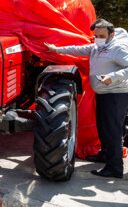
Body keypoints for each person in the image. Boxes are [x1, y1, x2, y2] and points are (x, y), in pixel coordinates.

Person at [45, 18, 128, 179]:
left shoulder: (118, 48)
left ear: (111, 35)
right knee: (104, 128)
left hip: (116, 94)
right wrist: (55, 49)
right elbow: (78, 49)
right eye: (96, 35)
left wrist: (113, 76)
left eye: (101, 35)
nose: (98, 38)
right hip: (104, 94)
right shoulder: (98, 47)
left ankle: (115, 168)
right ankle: (105, 155)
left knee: (113, 131)